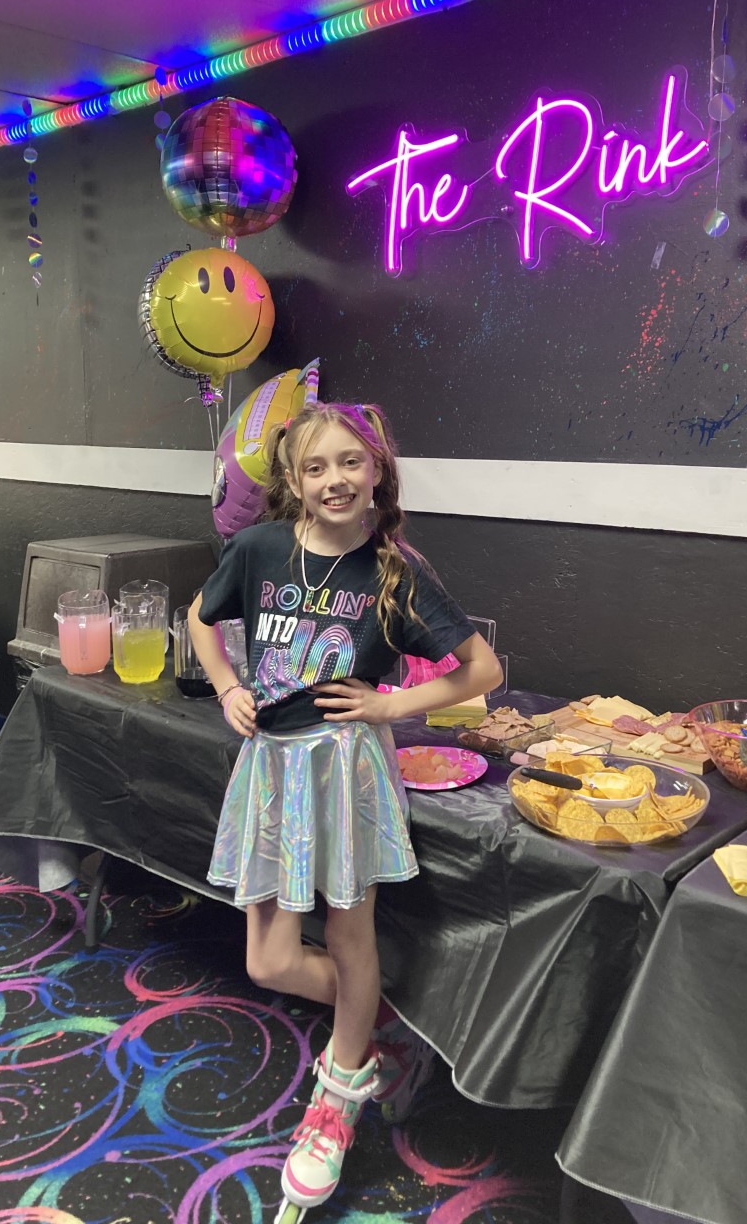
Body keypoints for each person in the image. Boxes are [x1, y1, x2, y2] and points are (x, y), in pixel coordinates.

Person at [188, 401, 502, 1222]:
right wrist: (226, 685)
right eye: (316, 466)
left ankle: (339, 1094)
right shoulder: (258, 548)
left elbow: (481, 671)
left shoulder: (398, 570)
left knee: (349, 935)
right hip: (271, 768)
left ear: (377, 471)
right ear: (294, 481)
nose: (335, 479)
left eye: (351, 462)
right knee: (269, 961)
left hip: (347, 769)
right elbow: (199, 617)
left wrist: (391, 706)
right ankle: (380, 1017)